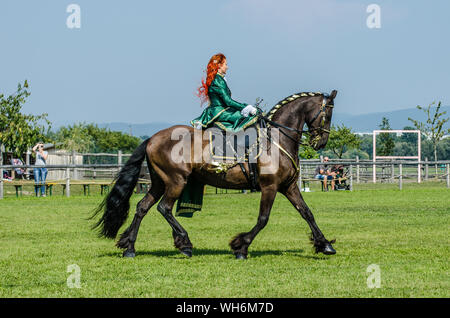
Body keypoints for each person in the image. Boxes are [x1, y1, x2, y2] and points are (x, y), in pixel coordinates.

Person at [191, 53, 258, 132]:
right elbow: (228, 101)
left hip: (222, 110)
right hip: (219, 112)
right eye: (225, 64)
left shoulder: (218, 79)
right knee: (244, 117)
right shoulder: (218, 80)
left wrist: (245, 106)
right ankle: (235, 140)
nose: (227, 67)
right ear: (219, 65)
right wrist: (245, 107)